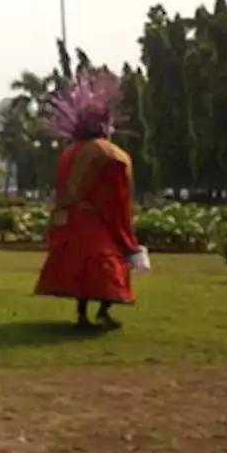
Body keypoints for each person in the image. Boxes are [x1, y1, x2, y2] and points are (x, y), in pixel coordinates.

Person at [34, 71, 140, 330]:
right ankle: (101, 312)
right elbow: (117, 195)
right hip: (96, 220)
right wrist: (125, 231)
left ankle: (83, 315)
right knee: (107, 267)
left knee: (80, 270)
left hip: (69, 220)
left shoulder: (69, 153)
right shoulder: (111, 153)